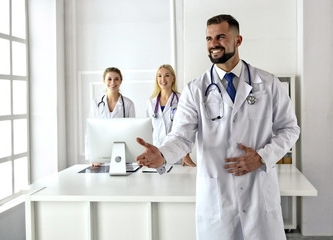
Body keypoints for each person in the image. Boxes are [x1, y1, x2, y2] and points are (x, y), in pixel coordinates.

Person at [136, 14, 300, 240]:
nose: (213, 44)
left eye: (221, 37)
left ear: (238, 40)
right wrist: (163, 154)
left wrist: (262, 157)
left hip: (258, 193)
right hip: (217, 198)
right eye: (209, 38)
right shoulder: (195, 89)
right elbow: (182, 137)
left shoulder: (268, 83)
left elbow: (290, 128)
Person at [146, 64, 196, 167]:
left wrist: (185, 154)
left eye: (167, 75)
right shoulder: (151, 102)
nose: (163, 79)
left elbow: (186, 129)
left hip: (177, 154)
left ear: (173, 78)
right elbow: (147, 130)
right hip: (156, 152)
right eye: (159, 76)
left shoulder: (182, 100)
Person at [87, 67, 135, 166]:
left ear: (121, 81)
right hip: (100, 155)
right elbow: (90, 131)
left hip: (122, 154)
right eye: (109, 79)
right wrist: (92, 157)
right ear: (104, 81)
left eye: (116, 79)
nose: (112, 82)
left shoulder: (128, 104)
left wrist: (131, 156)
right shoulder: (96, 103)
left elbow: (133, 132)